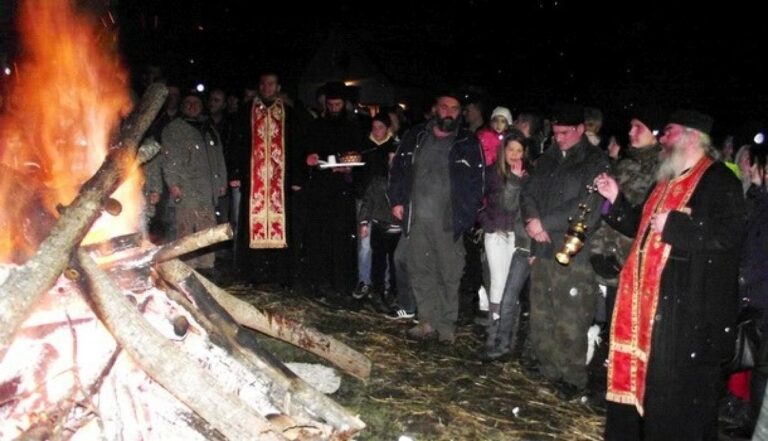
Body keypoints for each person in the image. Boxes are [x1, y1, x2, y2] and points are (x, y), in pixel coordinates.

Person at [596, 110, 747, 440]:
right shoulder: (664, 180)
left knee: (675, 405)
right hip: (648, 314)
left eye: (670, 132)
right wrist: (615, 200)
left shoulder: (720, 180)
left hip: (686, 317)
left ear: (693, 137)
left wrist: (678, 226)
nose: (662, 139)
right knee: (645, 395)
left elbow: (731, 236)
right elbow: (644, 227)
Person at [520, 102, 609, 399]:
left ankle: (572, 377)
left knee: (571, 317)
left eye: (565, 133)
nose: (558, 138)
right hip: (543, 247)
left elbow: (589, 207)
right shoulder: (547, 158)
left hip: (573, 252)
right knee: (542, 313)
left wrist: (545, 221)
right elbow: (529, 192)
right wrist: (533, 223)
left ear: (581, 129)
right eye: (555, 133)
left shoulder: (595, 161)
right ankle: (549, 369)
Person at [388, 90, 484, 344]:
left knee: (449, 273)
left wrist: (466, 215)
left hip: (448, 221)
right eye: (444, 107)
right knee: (420, 270)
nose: (449, 112)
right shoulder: (416, 136)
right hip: (417, 218)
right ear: (435, 109)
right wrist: (397, 200)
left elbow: (478, 183)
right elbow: (398, 169)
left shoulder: (468, 142)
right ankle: (426, 320)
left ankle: (446, 325)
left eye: (454, 108)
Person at [589, 108, 664, 332]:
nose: (631, 131)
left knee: (622, 328)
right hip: (602, 254)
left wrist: (615, 198)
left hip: (627, 263)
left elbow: (642, 222)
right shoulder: (625, 163)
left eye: (638, 127)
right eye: (631, 126)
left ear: (655, 133)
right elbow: (606, 207)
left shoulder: (661, 170)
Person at [229, 72, 305, 285]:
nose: (266, 87)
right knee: (251, 225)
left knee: (283, 226)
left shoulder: (288, 112)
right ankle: (253, 275)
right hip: (254, 180)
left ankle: (280, 276)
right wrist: (235, 172)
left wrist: (297, 176)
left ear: (277, 86)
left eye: (271, 83)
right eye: (263, 83)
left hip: (281, 182)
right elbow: (237, 142)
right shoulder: (247, 111)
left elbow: (297, 145)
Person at [477, 129, 532, 361]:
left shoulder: (528, 175)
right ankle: (494, 332)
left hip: (518, 236)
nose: (515, 155)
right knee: (498, 282)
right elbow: (478, 201)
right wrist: (488, 224)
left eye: (519, 151)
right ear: (503, 150)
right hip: (496, 233)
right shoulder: (492, 173)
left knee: (511, 287)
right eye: (511, 150)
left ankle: (506, 333)